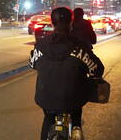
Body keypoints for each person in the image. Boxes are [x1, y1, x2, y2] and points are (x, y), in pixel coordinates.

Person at [29, 7, 104, 140]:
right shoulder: (80, 46)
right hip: (73, 97)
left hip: (46, 97)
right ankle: (76, 128)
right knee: (76, 115)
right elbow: (98, 69)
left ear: (52, 23)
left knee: (48, 118)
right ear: (71, 23)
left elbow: (32, 64)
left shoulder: (40, 45)